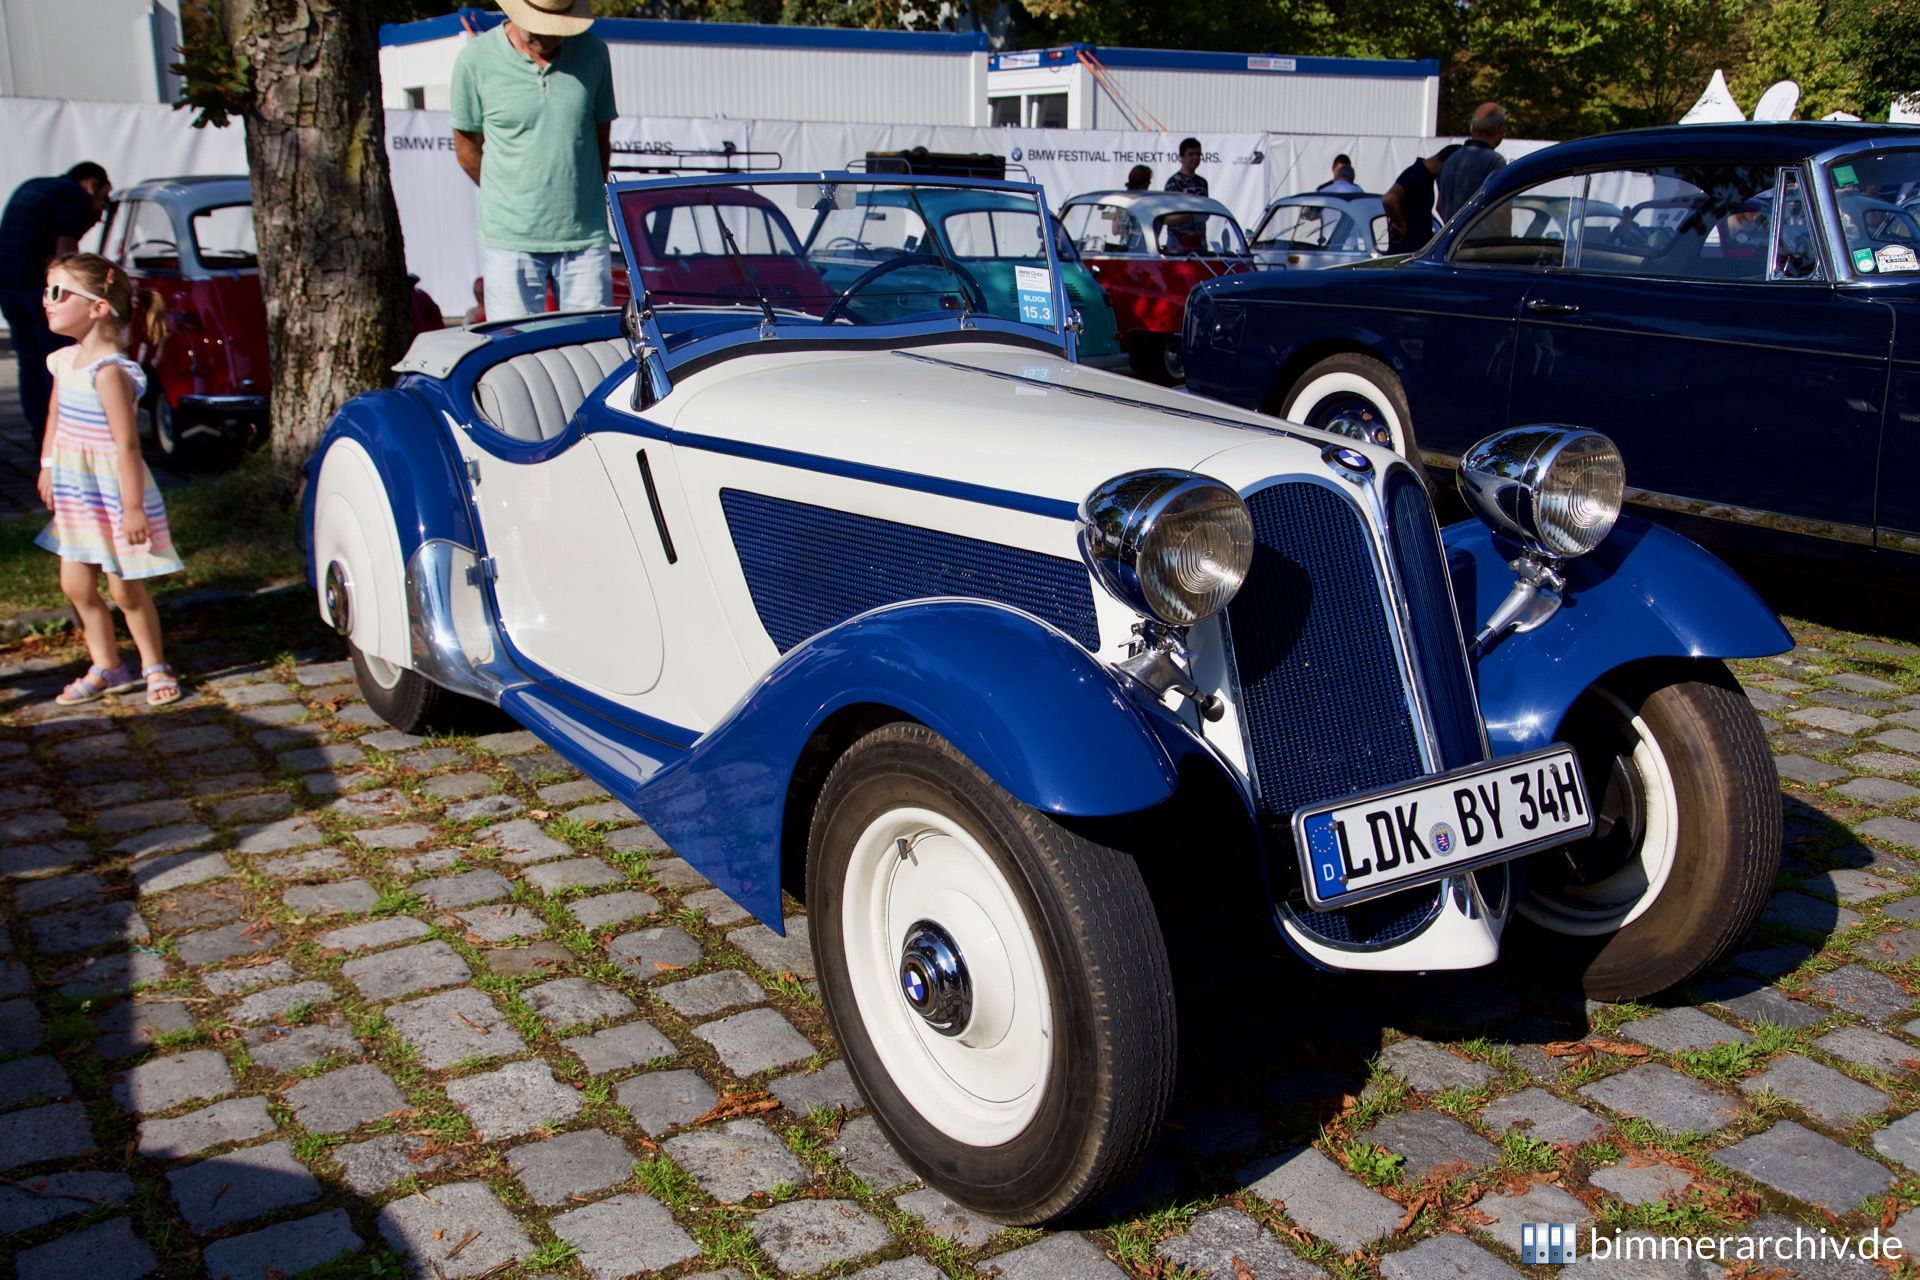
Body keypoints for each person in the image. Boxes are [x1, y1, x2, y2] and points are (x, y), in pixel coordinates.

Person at [34, 253, 182, 707]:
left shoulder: (109, 372)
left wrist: (134, 506)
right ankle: (106, 665)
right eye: (46, 291)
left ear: (98, 307)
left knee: (124, 587)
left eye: (58, 292)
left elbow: (128, 445)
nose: (47, 301)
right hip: (77, 493)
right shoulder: (65, 361)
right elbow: (55, 414)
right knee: (75, 585)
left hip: (115, 494)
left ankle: (154, 663)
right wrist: (47, 464)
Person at [452, 0, 617, 322]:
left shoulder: (595, 53)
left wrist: (581, 198)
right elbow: (467, 151)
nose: (551, 34)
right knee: (514, 349)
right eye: (542, 23)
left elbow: (600, 139)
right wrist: (513, 198)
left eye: (560, 25)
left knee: (593, 347)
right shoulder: (475, 60)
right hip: (509, 239)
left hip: (585, 236)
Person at [0, 161, 112, 456]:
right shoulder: (74, 196)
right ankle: (62, 434)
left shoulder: (33, 185)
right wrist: (86, 289)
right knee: (58, 360)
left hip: (9, 288)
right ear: (90, 184)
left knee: (29, 362)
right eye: (103, 197)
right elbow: (66, 251)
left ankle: (39, 433)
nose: (100, 209)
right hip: (40, 291)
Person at [1382, 143, 1461, 254]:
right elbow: (1389, 199)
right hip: (1406, 252)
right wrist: (1400, 224)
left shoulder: (1426, 177)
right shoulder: (1416, 174)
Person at [1438, 103, 1508, 220]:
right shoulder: (1495, 162)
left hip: (1454, 237)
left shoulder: (1450, 160)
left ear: (1472, 128)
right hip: (1482, 237)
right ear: (1500, 128)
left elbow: (1439, 207)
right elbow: (1501, 212)